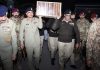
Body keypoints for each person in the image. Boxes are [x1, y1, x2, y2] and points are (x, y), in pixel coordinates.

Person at [0, 5, 17, 70]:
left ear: (6, 14)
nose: (2, 18)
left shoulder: (11, 23)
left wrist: (14, 53)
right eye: (0, 16)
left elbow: (14, 38)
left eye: (3, 16)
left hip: (7, 52)